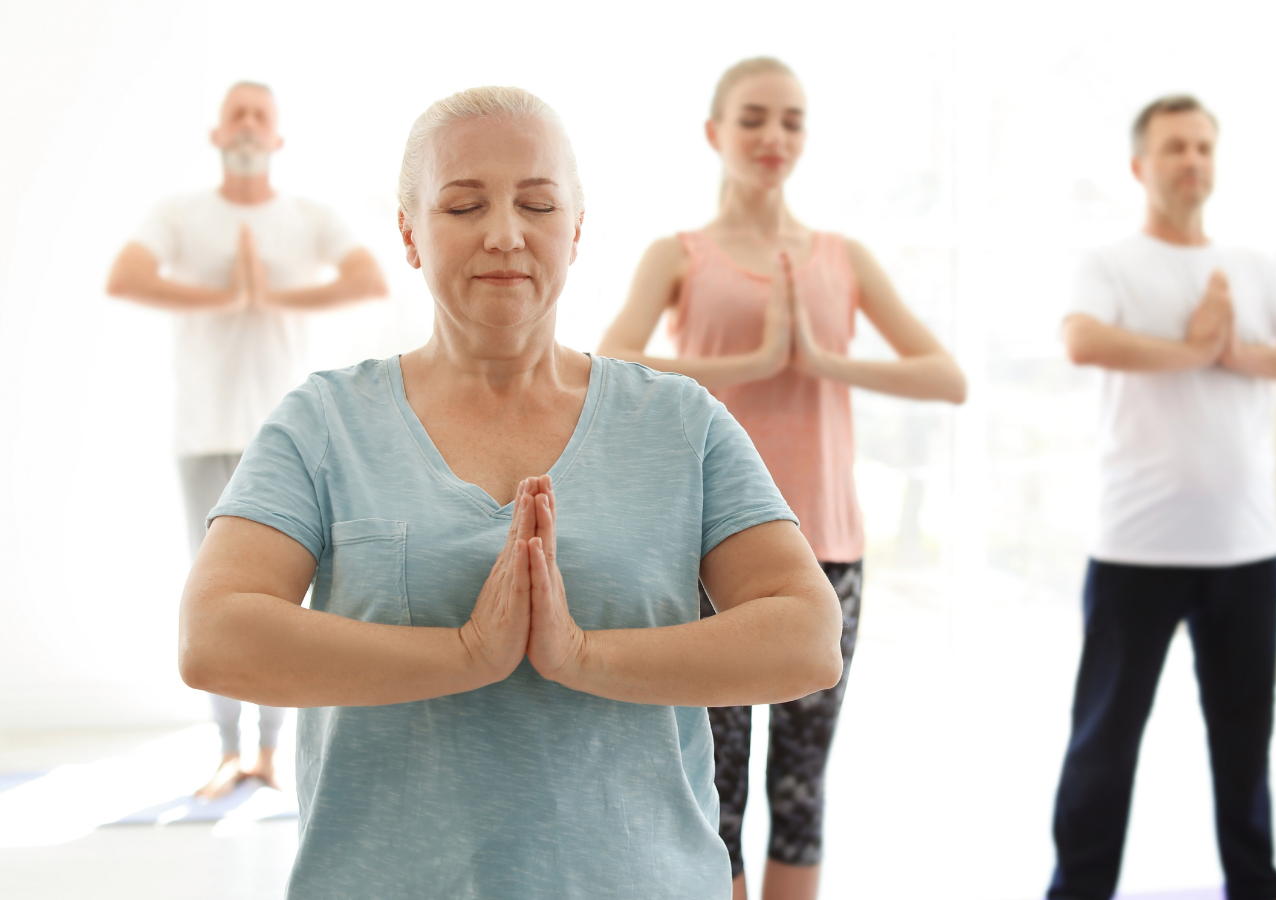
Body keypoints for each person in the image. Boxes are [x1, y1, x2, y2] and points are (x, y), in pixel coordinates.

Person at [178, 85, 842, 900]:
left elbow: (808, 635)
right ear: (410, 234)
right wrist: (464, 654)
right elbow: (214, 635)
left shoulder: (679, 423)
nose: (504, 234)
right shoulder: (325, 422)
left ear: (575, 230)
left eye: (536, 203)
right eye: (462, 206)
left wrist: (582, 656)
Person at [597, 57, 966, 900]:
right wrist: (750, 361)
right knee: (711, 790)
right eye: (755, 118)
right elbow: (607, 362)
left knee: (801, 789)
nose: (774, 137)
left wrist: (824, 361)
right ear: (714, 133)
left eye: (792, 121)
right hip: (707, 556)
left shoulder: (842, 258)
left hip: (828, 548)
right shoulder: (679, 253)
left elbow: (946, 377)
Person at [1050, 95, 1276, 900]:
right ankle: (1077, 891)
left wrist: (1233, 352)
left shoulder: (1251, 267)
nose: (1193, 162)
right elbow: (1083, 339)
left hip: (1246, 552)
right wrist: (1191, 348)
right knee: (1104, 743)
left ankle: (1255, 885)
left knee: (1246, 740)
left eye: (1204, 147)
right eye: (1176, 147)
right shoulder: (1108, 262)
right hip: (1135, 550)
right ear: (1141, 166)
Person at [106, 81, 387, 800]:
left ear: (278, 138)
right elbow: (126, 275)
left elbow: (367, 277)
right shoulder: (181, 214)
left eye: (262, 115)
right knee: (215, 595)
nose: (249, 125)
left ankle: (274, 752)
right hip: (203, 433)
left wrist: (272, 297)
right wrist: (226, 298)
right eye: (238, 113)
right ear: (218, 132)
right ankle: (231, 751)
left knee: (289, 599)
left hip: (287, 434)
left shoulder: (305, 217)